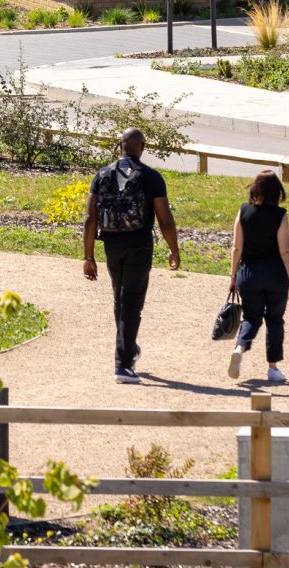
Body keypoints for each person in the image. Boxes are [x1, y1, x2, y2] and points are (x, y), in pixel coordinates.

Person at [82, 127, 180, 384]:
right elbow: (165, 219)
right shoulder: (151, 177)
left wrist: (88, 256)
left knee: (120, 298)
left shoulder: (102, 174)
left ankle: (128, 347)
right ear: (142, 148)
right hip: (139, 244)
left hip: (111, 243)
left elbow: (90, 218)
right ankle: (123, 364)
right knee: (132, 302)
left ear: (119, 146)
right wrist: (173, 249)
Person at [226, 169, 289, 384]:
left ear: (254, 188)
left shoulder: (243, 211)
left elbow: (236, 247)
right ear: (277, 192)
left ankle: (240, 347)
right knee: (274, 320)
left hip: (249, 274)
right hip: (275, 275)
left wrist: (232, 275)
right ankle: (273, 368)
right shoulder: (280, 215)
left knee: (251, 317)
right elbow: (285, 251)